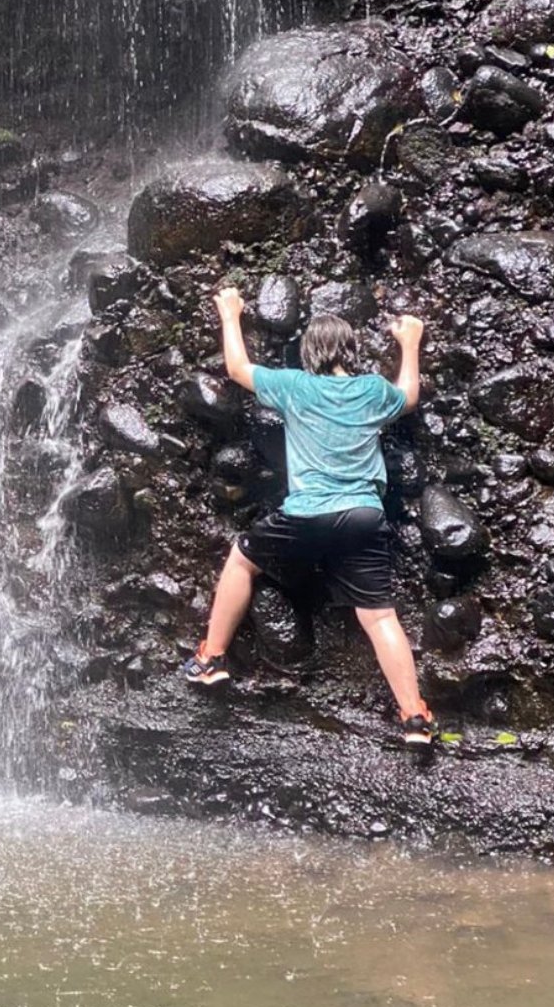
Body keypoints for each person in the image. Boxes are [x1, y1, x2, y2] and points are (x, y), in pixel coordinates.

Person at [182, 286, 437, 746]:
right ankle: (415, 717)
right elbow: (409, 395)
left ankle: (210, 659)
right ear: (350, 352)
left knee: (243, 559)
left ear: (308, 354)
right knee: (379, 617)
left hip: (306, 514)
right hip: (363, 515)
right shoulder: (371, 390)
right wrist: (410, 343)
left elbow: (237, 369)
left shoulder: (296, 386)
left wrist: (230, 313)